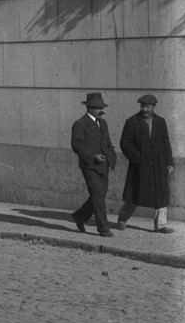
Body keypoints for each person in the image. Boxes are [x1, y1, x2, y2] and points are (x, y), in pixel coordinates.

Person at [116, 94, 175, 233]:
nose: (144, 109)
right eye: (142, 106)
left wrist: (169, 162)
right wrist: (137, 157)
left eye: (148, 106)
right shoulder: (132, 122)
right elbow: (125, 143)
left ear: (154, 107)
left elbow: (166, 143)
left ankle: (161, 225)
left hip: (159, 165)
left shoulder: (161, 122)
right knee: (135, 195)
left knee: (161, 194)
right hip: (139, 166)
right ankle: (123, 218)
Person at [70, 92, 118, 238]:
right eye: (98, 108)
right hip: (89, 165)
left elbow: (107, 142)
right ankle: (103, 229)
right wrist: (93, 156)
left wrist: (111, 155)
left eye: (101, 107)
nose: (101, 110)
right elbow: (76, 145)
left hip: (104, 164)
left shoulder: (103, 123)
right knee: (98, 195)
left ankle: (80, 216)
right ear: (90, 108)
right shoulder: (80, 124)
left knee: (100, 194)